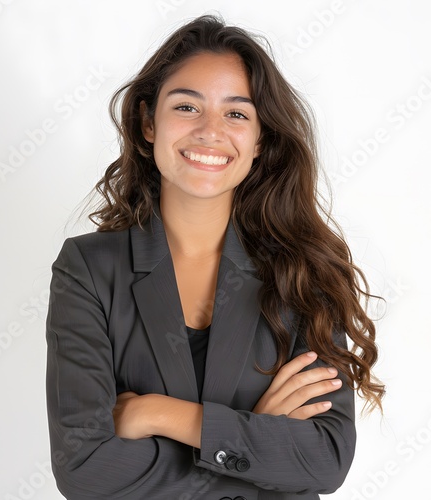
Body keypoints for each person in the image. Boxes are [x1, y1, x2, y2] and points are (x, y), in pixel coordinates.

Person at [45, 14, 385, 500]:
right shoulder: (89, 270)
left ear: (260, 139)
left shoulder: (304, 271)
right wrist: (255, 437)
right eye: (187, 106)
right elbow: (85, 470)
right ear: (147, 123)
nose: (210, 131)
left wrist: (159, 415)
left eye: (237, 113)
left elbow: (324, 460)